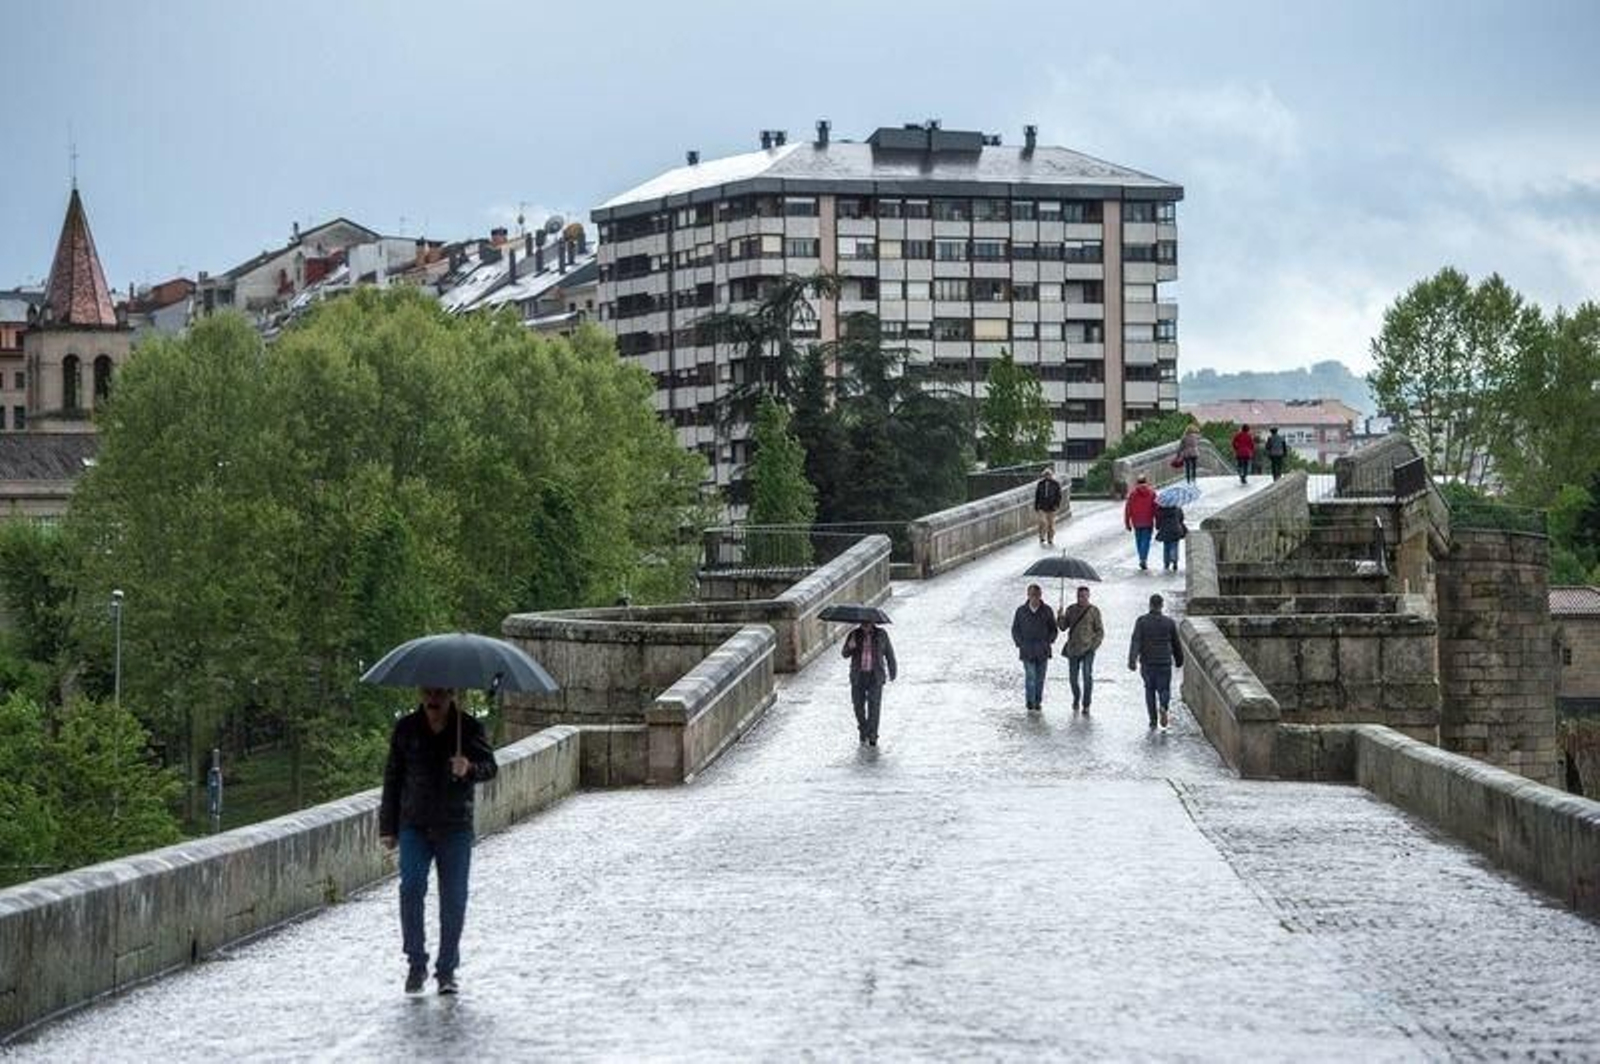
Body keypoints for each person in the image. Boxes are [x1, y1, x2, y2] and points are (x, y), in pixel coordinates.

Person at [380, 686, 499, 996]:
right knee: (411, 887)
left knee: (454, 898)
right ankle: (416, 962)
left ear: (451, 694)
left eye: (440, 694)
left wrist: (469, 768)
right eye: (428, 693)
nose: (433, 700)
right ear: (421, 693)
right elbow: (392, 777)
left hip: (455, 825)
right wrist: (387, 827)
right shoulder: (406, 728)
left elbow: (491, 768)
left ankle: (446, 970)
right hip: (414, 824)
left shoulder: (469, 728)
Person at [1129, 594, 1185, 730]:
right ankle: (1163, 707)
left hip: (1147, 662)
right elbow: (1176, 643)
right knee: (1164, 689)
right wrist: (1179, 660)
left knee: (1149, 690)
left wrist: (1132, 660)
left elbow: (1136, 641)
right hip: (1164, 661)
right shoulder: (1169, 622)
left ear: (1150, 604)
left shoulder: (1141, 621)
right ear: (1162, 605)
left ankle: (1153, 720)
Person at [843, 620, 897, 746]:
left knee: (874, 706)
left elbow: (889, 653)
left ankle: (873, 735)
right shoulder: (854, 634)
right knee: (858, 706)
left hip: (875, 676)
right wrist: (850, 647)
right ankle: (863, 729)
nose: (865, 626)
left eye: (868, 623)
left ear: (873, 623)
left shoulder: (881, 634)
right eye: (863, 624)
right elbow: (844, 654)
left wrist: (892, 671)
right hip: (858, 676)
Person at [1011, 583, 1059, 712]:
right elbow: (1015, 629)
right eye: (1032, 595)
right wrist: (1020, 643)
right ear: (1028, 596)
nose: (1035, 598)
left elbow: (1053, 629)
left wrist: (1049, 641)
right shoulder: (1021, 611)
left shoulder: (1047, 610)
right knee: (1031, 676)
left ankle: (1038, 701)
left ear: (1040, 596)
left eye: (1037, 595)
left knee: (1040, 679)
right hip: (1027, 650)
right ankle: (1030, 702)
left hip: (1043, 650)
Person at [1057, 585, 1105, 714]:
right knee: (1073, 678)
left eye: (1084, 596)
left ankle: (1086, 703)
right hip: (1073, 649)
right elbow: (1063, 627)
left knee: (1087, 676)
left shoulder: (1094, 611)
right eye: (1079, 596)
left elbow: (1100, 631)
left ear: (1088, 596)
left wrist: (1094, 646)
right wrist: (1060, 616)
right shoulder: (1071, 609)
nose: (1082, 599)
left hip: (1088, 649)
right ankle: (1076, 697)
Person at [1124, 474, 1158, 570]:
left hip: (1136, 521)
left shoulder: (1133, 494)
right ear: (1146, 481)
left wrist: (1127, 523)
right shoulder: (1152, 493)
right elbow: (1156, 508)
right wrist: (1158, 521)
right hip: (1148, 521)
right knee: (1146, 541)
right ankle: (1143, 558)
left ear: (1137, 482)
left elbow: (1128, 509)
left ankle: (1141, 558)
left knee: (1138, 541)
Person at [1033, 467, 1064, 546]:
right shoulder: (1040, 484)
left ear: (1051, 475)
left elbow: (1059, 496)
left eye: (1049, 475)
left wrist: (1056, 505)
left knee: (1051, 525)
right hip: (1042, 506)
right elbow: (1037, 495)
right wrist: (1036, 506)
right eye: (1045, 475)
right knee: (1042, 522)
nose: (1047, 476)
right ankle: (1042, 536)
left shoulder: (1056, 484)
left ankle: (1050, 538)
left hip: (1051, 507)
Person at [1154, 501, 1188, 572]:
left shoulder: (1161, 509)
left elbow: (1158, 520)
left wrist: (1158, 526)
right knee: (1174, 545)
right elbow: (1181, 518)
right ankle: (1174, 560)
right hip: (1175, 530)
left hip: (1165, 530)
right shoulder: (1177, 508)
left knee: (1166, 547)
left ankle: (1166, 563)